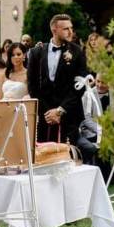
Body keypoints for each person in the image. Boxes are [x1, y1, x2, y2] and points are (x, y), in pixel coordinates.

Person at [27, 14, 88, 143]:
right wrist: (48, 113)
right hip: (45, 116)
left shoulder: (77, 52)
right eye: (66, 29)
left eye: (71, 28)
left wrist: (60, 111)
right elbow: (32, 87)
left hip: (69, 116)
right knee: (44, 156)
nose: (71, 32)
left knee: (68, 157)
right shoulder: (36, 53)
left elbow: (80, 86)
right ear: (54, 30)